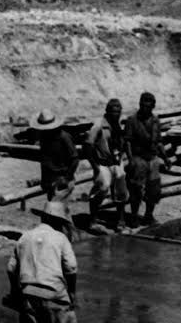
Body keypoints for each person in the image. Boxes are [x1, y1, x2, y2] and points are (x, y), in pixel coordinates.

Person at [6, 201, 79, 323]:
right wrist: (71, 293)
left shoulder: (24, 237)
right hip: (54, 292)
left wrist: (15, 292)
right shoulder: (60, 238)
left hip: (29, 292)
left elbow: (11, 268)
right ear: (58, 221)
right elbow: (71, 268)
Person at [85, 99, 129, 234]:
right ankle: (93, 220)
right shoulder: (98, 126)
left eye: (118, 112)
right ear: (107, 111)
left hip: (116, 161)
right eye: (113, 111)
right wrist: (95, 166)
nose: (116, 114)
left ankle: (120, 221)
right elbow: (87, 145)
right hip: (102, 162)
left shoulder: (118, 124)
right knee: (102, 188)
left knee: (121, 190)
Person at [123, 92, 166, 226]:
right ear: (140, 104)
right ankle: (134, 216)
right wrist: (131, 160)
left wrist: (166, 158)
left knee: (153, 190)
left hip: (153, 159)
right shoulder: (132, 121)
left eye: (149, 102)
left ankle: (148, 216)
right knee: (136, 190)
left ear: (153, 105)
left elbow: (159, 142)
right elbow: (127, 142)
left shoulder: (155, 121)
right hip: (138, 158)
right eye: (144, 102)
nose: (146, 105)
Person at [34, 110, 78, 202]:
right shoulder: (44, 139)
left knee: (57, 207)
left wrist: (67, 178)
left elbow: (75, 159)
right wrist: (44, 180)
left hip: (63, 177)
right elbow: (44, 161)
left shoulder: (64, 137)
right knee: (52, 206)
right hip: (50, 179)